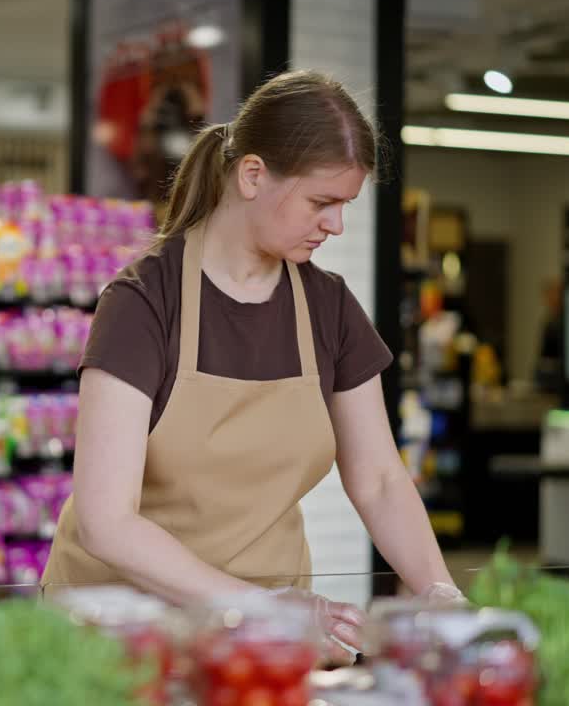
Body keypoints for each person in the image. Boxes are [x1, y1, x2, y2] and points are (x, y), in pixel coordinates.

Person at [42, 71, 460, 658]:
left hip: (263, 643)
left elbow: (381, 480)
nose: (335, 225)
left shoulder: (329, 307)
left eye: (345, 206)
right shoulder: (142, 302)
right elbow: (106, 522)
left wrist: (441, 594)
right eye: (322, 202)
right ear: (253, 175)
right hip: (124, 637)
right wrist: (263, 609)